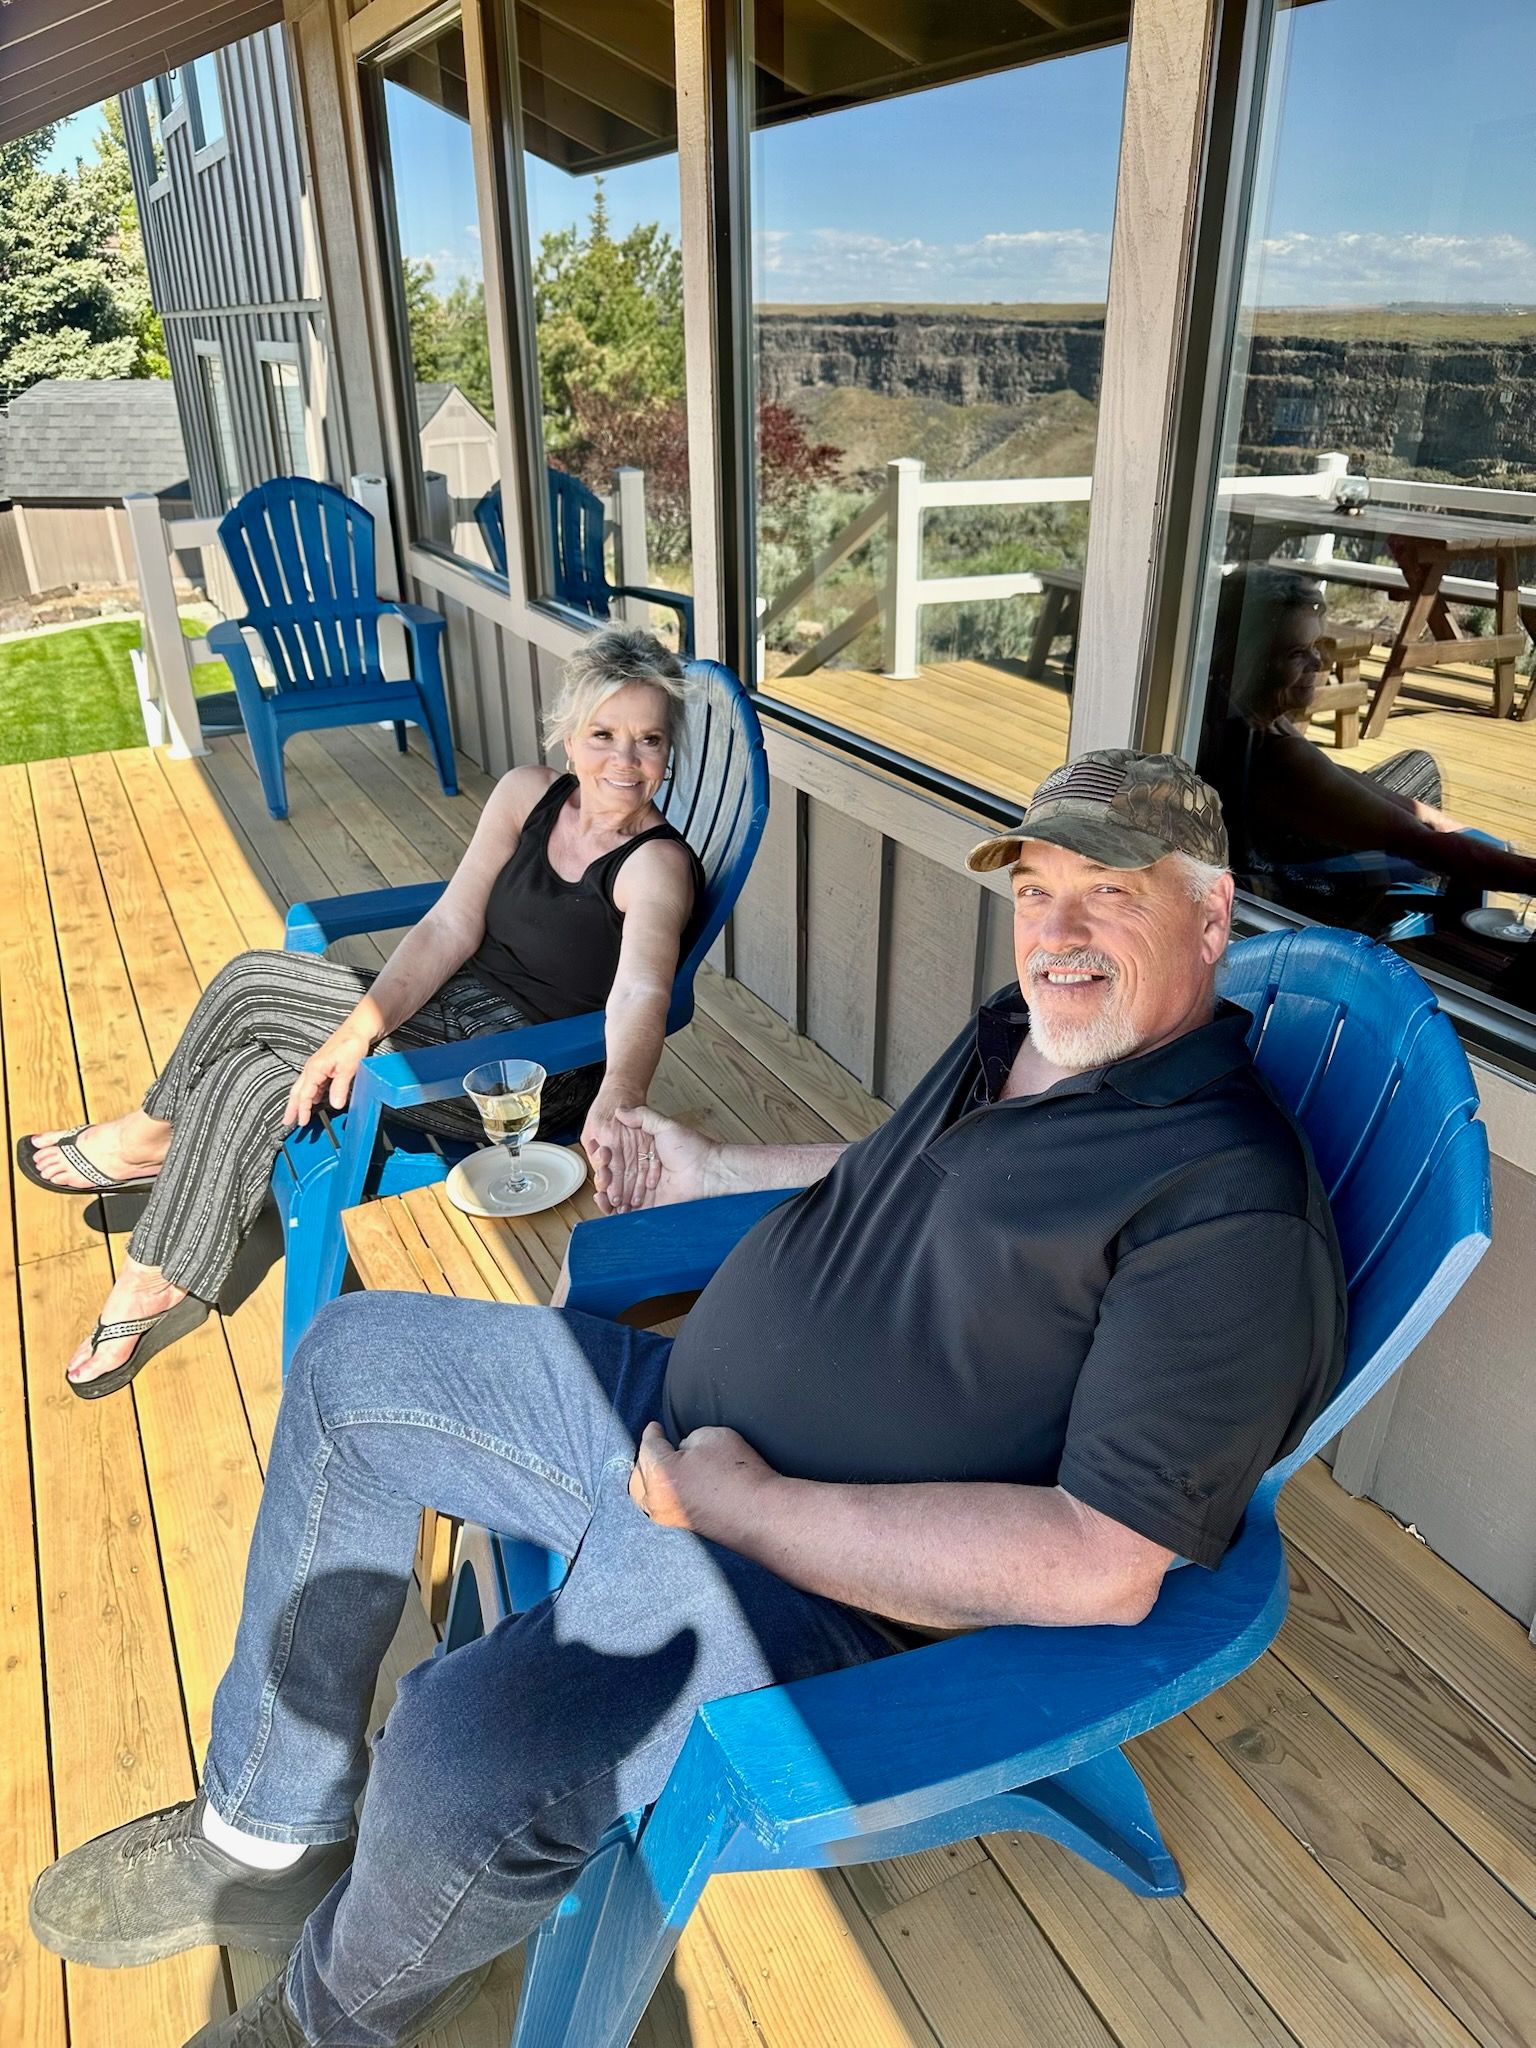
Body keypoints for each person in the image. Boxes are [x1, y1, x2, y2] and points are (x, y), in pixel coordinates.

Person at [30, 749, 1347, 2048]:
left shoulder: (1223, 1203)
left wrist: (748, 1510)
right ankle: (275, 1819)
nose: (1056, 931)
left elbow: (1101, 1567)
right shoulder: (1030, 1041)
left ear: (1213, 912)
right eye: (1035, 889)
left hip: (805, 1571)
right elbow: (898, 1175)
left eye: (1110, 892)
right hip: (675, 1416)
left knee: (457, 1752)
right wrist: (719, 1163)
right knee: (347, 1362)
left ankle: (325, 2021)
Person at [15, 626, 705, 1398]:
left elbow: (642, 991)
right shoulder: (527, 795)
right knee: (255, 1065)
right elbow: (449, 926)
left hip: (521, 1073)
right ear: (569, 737)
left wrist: (618, 1100)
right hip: (450, 1010)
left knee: (252, 982)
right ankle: (154, 1277)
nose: (624, 760)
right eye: (604, 734)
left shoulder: (656, 867)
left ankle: (146, 1141)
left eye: (648, 740)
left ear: (667, 751)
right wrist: (358, 1029)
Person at [1198, 562, 1536, 926]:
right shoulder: (1274, 757)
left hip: (1290, 845)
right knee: (1430, 795)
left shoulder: (1232, 709)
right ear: (1248, 662)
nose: (1317, 661)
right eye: (1296, 653)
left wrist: (1450, 827)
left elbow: (1340, 777)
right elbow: (1428, 847)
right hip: (1314, 895)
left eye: (1316, 645)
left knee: (1419, 780)